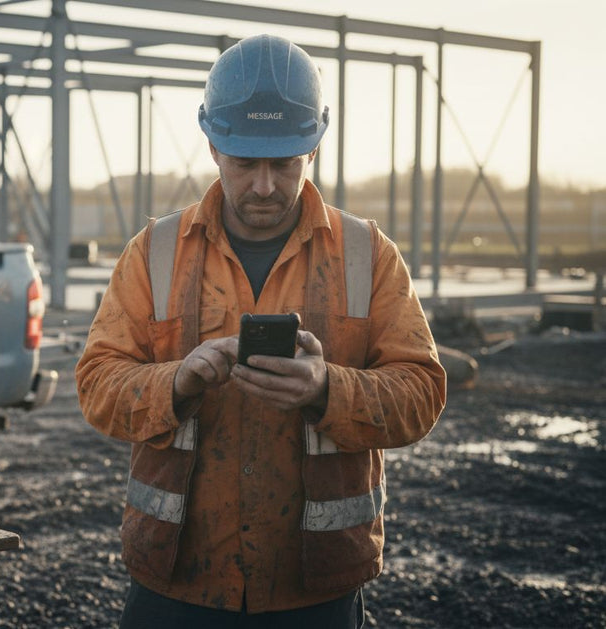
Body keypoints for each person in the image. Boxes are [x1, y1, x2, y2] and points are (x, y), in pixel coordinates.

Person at [75, 34, 446, 628]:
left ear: (315, 148)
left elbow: (423, 392)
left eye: (284, 163)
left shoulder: (366, 255)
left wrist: (328, 389)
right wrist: (179, 380)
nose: (265, 186)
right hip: (176, 584)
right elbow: (96, 382)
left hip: (314, 589)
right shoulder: (155, 253)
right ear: (213, 146)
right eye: (246, 163)